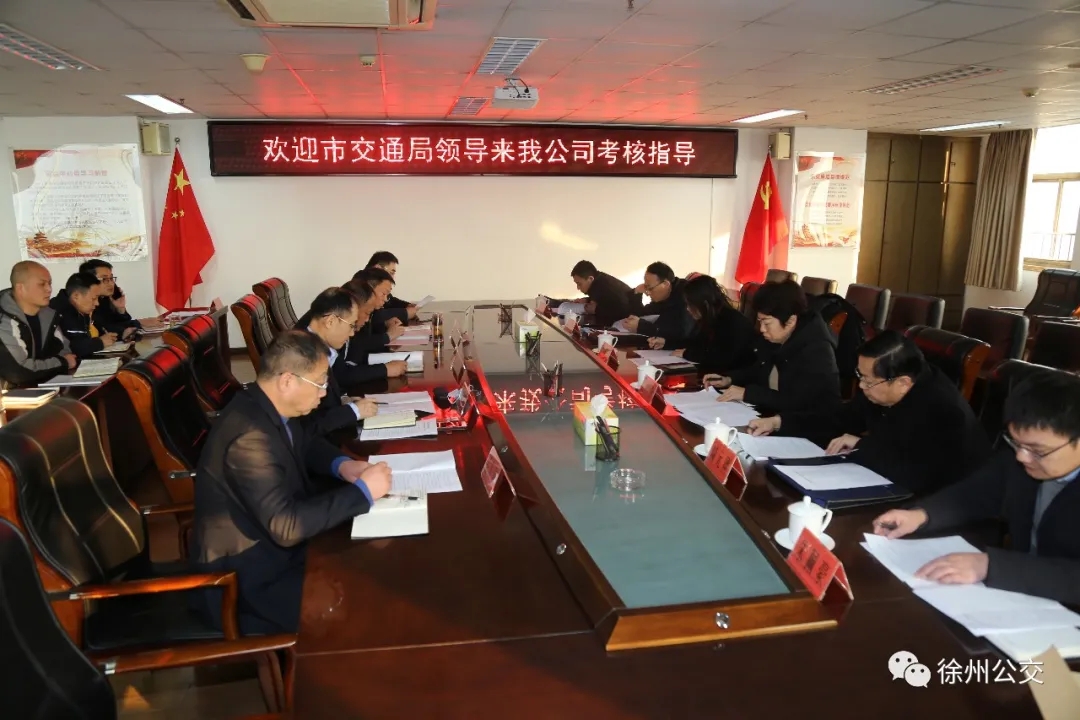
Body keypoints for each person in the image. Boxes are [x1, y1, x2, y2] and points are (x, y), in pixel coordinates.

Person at [189, 330, 393, 634]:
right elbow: (286, 527)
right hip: (249, 582)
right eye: (320, 383)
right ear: (287, 381)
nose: (324, 392)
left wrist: (343, 465)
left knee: (374, 567)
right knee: (364, 608)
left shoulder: (267, 405)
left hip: (279, 551)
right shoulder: (249, 437)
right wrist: (362, 493)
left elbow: (305, 442)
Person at [873, 370, 1080, 605]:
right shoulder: (1025, 459)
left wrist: (992, 566)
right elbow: (976, 493)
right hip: (1025, 599)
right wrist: (922, 515)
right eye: (1016, 444)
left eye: (1038, 451)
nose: (1022, 457)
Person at [749, 331, 991, 496]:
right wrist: (780, 422)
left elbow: (915, 474)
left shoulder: (943, 411)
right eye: (860, 376)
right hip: (893, 485)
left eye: (868, 380)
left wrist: (861, 445)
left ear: (903, 383)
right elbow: (839, 418)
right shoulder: (882, 387)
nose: (862, 386)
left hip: (944, 504)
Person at [706, 280, 840, 415]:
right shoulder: (778, 338)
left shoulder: (817, 351)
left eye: (767, 323)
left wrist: (749, 393)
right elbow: (759, 369)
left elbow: (799, 401)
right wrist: (729, 379)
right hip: (771, 414)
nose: (762, 329)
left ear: (791, 321)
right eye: (760, 322)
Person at [294, 287, 378, 433]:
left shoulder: (320, 347)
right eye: (351, 325)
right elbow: (304, 427)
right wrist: (352, 411)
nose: (352, 333)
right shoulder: (301, 356)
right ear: (330, 321)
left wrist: (343, 402)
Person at [650, 275, 756, 375]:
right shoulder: (710, 317)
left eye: (690, 305)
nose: (688, 309)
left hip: (734, 378)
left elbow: (718, 358)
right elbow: (696, 343)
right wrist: (666, 343)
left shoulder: (732, 322)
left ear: (704, 304)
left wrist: (686, 354)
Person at [0, 261, 75, 386]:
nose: (49, 289)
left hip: (39, 386)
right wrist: (63, 363)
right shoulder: (4, 319)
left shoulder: (48, 314)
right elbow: (19, 371)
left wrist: (56, 362)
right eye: (42, 284)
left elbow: (65, 349)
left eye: (49, 283)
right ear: (20, 288)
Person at [335, 274, 408, 387]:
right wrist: (384, 369)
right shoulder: (334, 334)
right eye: (367, 313)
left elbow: (356, 355)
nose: (367, 319)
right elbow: (341, 376)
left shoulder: (348, 327)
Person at [78, 259, 164, 336]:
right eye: (105, 279)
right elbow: (104, 329)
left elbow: (120, 325)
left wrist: (121, 309)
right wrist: (140, 323)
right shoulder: (82, 303)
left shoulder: (105, 298)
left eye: (111, 278)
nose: (111, 283)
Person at [49, 272, 120, 358]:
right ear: (76, 296)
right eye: (94, 298)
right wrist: (100, 342)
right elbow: (72, 348)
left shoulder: (81, 309)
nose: (97, 303)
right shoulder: (59, 311)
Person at [622, 262, 694, 344]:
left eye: (650, 288)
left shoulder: (686, 297)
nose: (647, 293)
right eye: (646, 287)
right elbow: (643, 314)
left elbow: (681, 333)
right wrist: (636, 294)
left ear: (665, 284)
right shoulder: (664, 296)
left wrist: (642, 327)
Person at [563, 260, 642, 327]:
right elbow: (606, 300)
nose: (578, 288)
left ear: (590, 279)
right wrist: (587, 300)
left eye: (579, 284)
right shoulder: (598, 281)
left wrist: (596, 310)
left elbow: (623, 310)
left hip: (631, 322)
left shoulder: (603, 285)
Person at [366, 251, 418, 325]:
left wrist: (407, 305)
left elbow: (390, 300)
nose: (392, 278)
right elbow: (374, 315)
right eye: (391, 273)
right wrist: (405, 313)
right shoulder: (362, 286)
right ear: (378, 268)